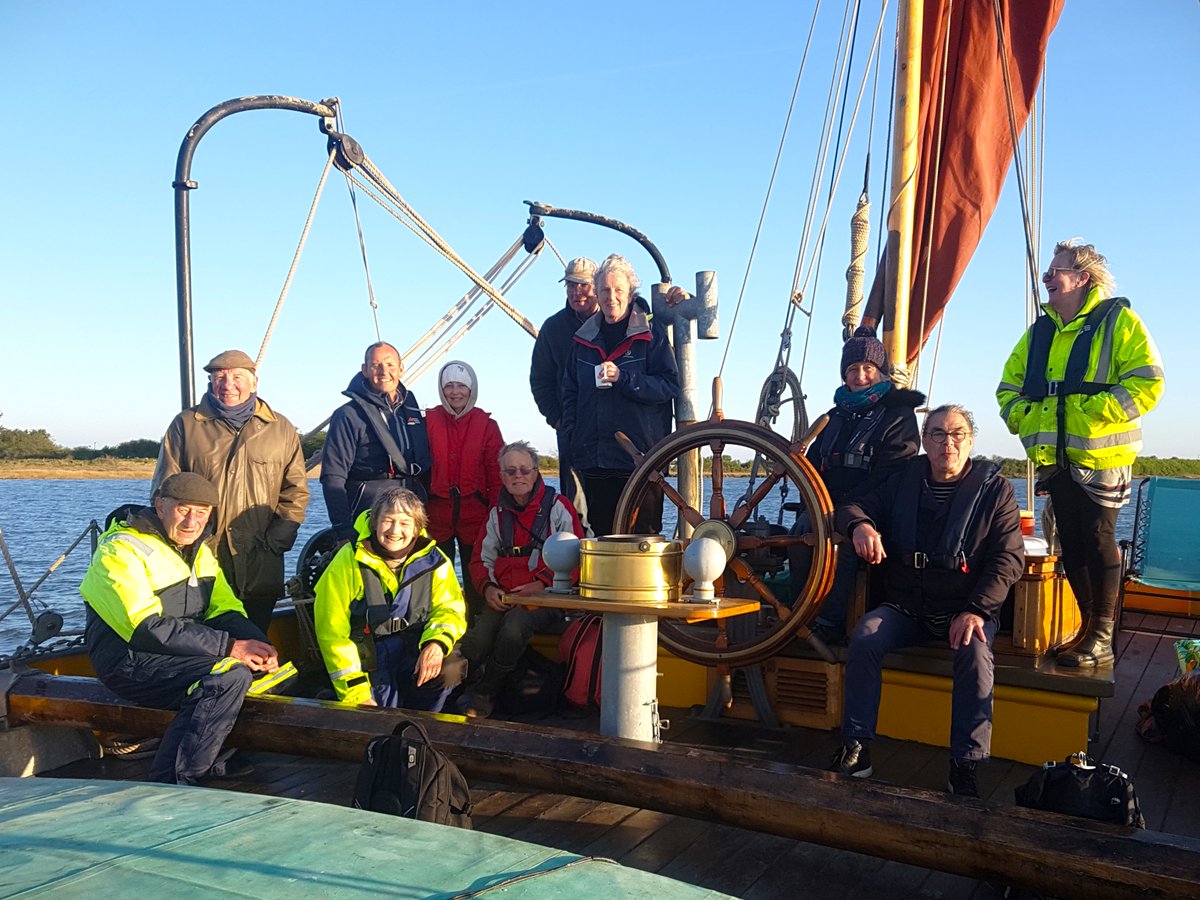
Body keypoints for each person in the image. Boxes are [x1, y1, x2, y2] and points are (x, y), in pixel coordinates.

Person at [828, 405, 1024, 798]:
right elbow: (849, 507)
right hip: (907, 607)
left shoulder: (996, 491)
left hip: (966, 608)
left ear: (970, 440)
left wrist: (976, 610)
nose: (947, 443)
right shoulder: (902, 480)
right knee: (865, 636)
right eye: (937, 434)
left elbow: (1008, 559)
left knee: (975, 651)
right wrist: (860, 525)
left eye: (956, 434)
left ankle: (965, 762)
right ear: (925, 440)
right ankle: (857, 747)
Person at [997, 239, 1165, 667]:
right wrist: (1023, 418)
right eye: (1047, 272)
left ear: (1082, 278)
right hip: (1054, 458)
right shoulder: (1039, 333)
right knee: (1069, 541)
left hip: (1102, 457)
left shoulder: (1119, 322)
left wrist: (1091, 413)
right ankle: (1089, 630)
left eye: (1055, 271)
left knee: (1098, 537)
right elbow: (1008, 389)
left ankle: (1102, 636)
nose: (1046, 278)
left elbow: (1148, 382)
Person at [80, 472, 279, 785]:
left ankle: (213, 758)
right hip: (129, 661)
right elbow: (146, 628)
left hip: (178, 654)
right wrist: (230, 648)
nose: (191, 522)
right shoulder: (119, 551)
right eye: (183, 510)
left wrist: (258, 644)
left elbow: (224, 608)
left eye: (201, 512)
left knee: (267, 672)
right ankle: (174, 780)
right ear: (160, 506)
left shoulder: (199, 551)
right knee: (226, 676)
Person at [152, 349, 309, 634]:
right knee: (202, 641)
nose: (228, 385)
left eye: (237, 377)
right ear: (211, 383)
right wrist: (184, 542)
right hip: (201, 559)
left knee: (255, 640)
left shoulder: (281, 429)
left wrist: (278, 539)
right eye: (220, 377)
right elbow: (165, 490)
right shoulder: (185, 425)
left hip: (260, 562)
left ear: (254, 382)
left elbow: (296, 492)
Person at [790, 326, 924, 641]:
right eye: (852, 369)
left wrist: (847, 508)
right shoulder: (833, 417)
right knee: (799, 532)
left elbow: (893, 473)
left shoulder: (899, 416)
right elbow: (815, 465)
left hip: (875, 507)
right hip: (827, 506)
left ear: (881, 372)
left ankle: (828, 623)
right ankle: (798, 612)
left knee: (842, 537)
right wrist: (798, 461)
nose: (860, 375)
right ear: (844, 375)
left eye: (868, 368)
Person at [460, 441, 585, 718]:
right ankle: (456, 689)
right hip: (504, 596)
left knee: (513, 629)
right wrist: (488, 588)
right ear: (502, 476)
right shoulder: (495, 515)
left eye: (524, 470)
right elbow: (480, 560)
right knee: (477, 640)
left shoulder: (559, 508)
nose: (518, 476)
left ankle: (486, 693)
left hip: (549, 597)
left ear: (536, 472)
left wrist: (541, 584)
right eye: (510, 471)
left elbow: (577, 557)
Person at [560, 254, 681, 537]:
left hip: (641, 461)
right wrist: (573, 437)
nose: (611, 297)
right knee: (605, 538)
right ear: (596, 293)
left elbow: (669, 385)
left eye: (618, 290)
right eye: (604, 289)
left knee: (644, 539)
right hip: (595, 460)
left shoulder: (651, 335)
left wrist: (624, 379)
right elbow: (569, 393)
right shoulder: (583, 340)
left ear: (630, 293)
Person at [313, 487, 466, 711]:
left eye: (404, 523)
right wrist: (355, 693)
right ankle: (333, 696)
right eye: (387, 520)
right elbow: (332, 632)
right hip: (368, 657)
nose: (395, 531)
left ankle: (423, 718)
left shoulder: (436, 561)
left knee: (451, 668)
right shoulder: (347, 561)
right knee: (379, 714)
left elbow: (450, 610)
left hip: (412, 648)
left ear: (417, 528)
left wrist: (436, 643)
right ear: (374, 523)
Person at [321, 342, 432, 536]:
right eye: (375, 365)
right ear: (364, 370)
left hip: (411, 514)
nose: (384, 371)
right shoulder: (348, 415)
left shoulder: (412, 411)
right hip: (369, 516)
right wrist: (343, 530)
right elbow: (333, 477)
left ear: (401, 369)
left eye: (390, 365)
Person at [424, 359, 504, 621]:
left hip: (476, 516)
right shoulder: (427, 422)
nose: (455, 392)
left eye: (461, 386)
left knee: (476, 576)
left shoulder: (487, 425)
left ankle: (477, 629)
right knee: (436, 576)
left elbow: (496, 474)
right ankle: (438, 626)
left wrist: (495, 514)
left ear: (471, 389)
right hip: (436, 515)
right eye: (449, 386)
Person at [530, 256, 599, 505]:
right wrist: (559, 420)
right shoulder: (552, 328)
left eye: (583, 285)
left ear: (598, 286)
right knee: (575, 505)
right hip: (572, 432)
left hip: (613, 433)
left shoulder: (616, 321)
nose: (576, 291)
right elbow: (540, 380)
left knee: (617, 503)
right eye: (570, 285)